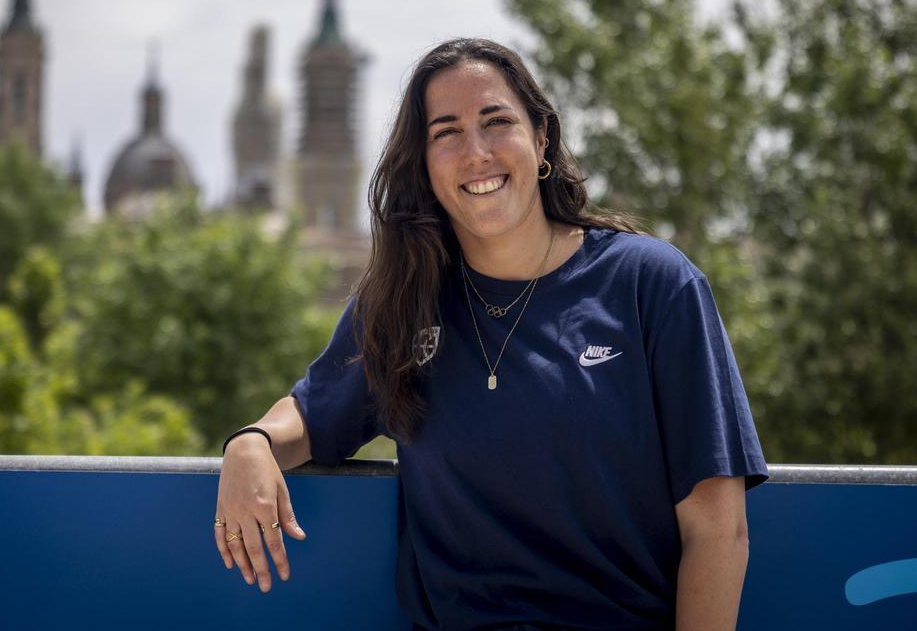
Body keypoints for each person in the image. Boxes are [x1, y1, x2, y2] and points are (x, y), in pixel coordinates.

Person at [215, 38, 769, 630]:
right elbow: (311, 414)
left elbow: (718, 531)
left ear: (541, 139)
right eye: (446, 132)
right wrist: (250, 443)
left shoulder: (652, 284)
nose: (476, 152)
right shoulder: (404, 302)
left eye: (496, 121)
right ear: (424, 165)